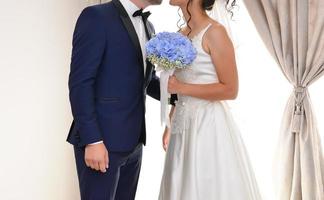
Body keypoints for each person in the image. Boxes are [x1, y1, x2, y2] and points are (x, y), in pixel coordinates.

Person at [66, 0, 175, 199]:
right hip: (102, 142)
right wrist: (93, 140)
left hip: (134, 142)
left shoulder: (149, 27)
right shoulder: (96, 17)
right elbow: (80, 84)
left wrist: (182, 93)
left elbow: (146, 80)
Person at [159, 0, 262, 199]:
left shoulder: (215, 32)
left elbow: (231, 89)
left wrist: (181, 87)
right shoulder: (180, 34)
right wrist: (170, 123)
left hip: (207, 124)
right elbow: (178, 86)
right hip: (182, 124)